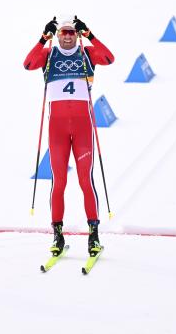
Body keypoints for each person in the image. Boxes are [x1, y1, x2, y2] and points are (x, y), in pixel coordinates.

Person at [23, 16, 114, 257]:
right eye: (63, 32)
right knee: (59, 182)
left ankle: (93, 235)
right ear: (57, 34)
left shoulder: (88, 53)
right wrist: (43, 38)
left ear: (77, 34)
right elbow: (28, 63)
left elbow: (109, 58)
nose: (67, 36)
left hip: (83, 128)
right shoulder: (49, 55)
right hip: (58, 130)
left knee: (86, 180)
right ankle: (57, 234)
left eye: (72, 32)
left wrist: (90, 34)